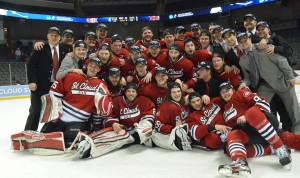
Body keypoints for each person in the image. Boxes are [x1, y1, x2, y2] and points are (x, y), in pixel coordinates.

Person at [12, 57, 113, 154]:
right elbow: (54, 93)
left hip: (78, 122)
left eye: (96, 67)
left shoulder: (101, 85)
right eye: (91, 65)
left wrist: (96, 127)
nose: (92, 68)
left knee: (69, 142)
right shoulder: (72, 76)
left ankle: (76, 137)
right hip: (59, 119)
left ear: (99, 69)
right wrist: (54, 114)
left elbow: (104, 109)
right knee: (44, 135)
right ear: (87, 65)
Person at [218, 81, 293, 177]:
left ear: (233, 90)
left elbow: (263, 102)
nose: (225, 93)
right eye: (222, 92)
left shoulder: (240, 93)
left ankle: (279, 148)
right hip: (254, 134)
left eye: (227, 90)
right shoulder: (225, 111)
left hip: (263, 121)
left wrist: (246, 116)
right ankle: (241, 163)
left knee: (251, 112)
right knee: (229, 146)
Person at [238, 33, 300, 134]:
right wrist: (244, 83)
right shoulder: (242, 60)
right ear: (239, 44)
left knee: (293, 109)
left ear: (250, 39)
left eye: (245, 40)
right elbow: (247, 78)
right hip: (265, 86)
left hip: (281, 81)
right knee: (260, 108)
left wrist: (289, 76)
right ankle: (268, 132)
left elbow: (281, 60)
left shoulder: (263, 47)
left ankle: (298, 132)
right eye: (241, 42)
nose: (243, 43)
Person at [25, 27, 68, 131]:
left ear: (60, 37)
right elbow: (31, 64)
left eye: (56, 35)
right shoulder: (40, 47)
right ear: (47, 36)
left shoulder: (65, 49)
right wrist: (32, 81)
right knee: (36, 110)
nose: (54, 37)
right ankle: (29, 133)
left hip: (57, 87)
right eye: (51, 35)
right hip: (40, 85)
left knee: (54, 111)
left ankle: (48, 133)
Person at [152, 82, 191, 151]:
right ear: (170, 94)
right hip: (168, 134)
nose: (177, 94)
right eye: (174, 92)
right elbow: (158, 124)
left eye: (178, 91)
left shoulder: (184, 102)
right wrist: (172, 129)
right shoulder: (165, 106)